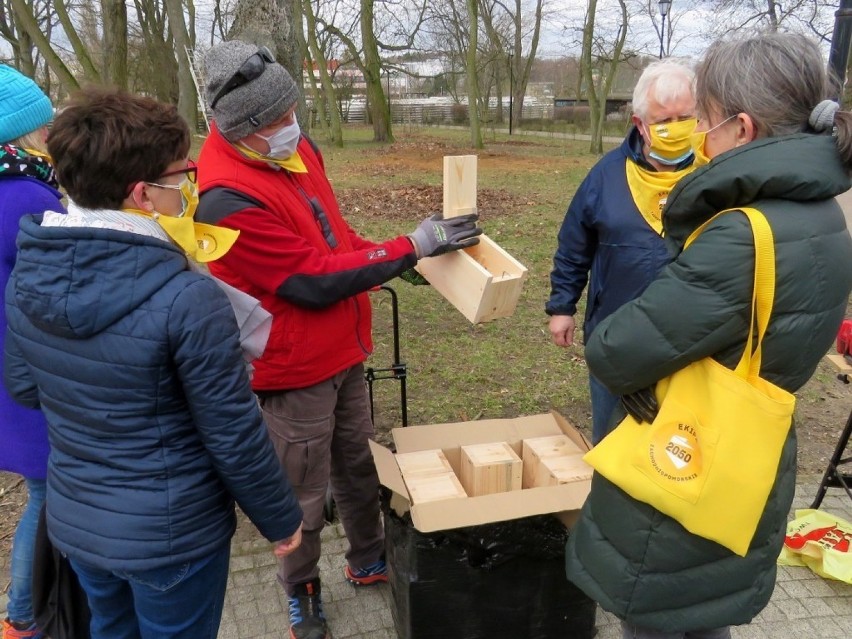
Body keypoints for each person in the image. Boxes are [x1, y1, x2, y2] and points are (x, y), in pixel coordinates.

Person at [564, 33, 852, 639]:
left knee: (661, 611)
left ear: (742, 129)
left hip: (689, 452)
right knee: (706, 606)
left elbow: (615, 348)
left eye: (706, 121)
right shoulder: (825, 214)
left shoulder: (740, 234)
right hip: (752, 447)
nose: (699, 136)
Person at [195, 40, 481, 639]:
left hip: (344, 349)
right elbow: (309, 280)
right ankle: (300, 591)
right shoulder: (224, 200)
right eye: (274, 121)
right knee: (299, 491)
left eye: (291, 111)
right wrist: (408, 246)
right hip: (292, 368)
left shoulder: (296, 151)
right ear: (242, 130)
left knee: (357, 461)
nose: (289, 127)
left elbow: (335, 237)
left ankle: (369, 558)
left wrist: (405, 260)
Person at [3, 86, 304, 639]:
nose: (189, 185)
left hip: (79, 523)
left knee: (111, 631)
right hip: (171, 535)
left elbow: (24, 385)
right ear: (144, 194)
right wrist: (280, 519)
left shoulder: (28, 272)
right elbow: (232, 430)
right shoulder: (188, 297)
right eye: (181, 175)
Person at [546, 59, 696, 444]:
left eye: (687, 118)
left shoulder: (718, 173)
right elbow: (574, 244)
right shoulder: (606, 175)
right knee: (613, 441)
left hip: (694, 345)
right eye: (666, 121)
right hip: (616, 337)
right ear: (640, 124)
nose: (677, 129)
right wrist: (563, 306)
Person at [0, 65, 64, 639]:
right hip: (23, 371)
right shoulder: (23, 194)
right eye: (42, 125)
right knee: (46, 494)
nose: (49, 136)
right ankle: (22, 613)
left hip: (7, 367)